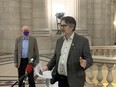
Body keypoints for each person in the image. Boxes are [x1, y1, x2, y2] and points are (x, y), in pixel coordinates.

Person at [43, 16, 93, 87]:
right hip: (61, 78)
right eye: (61, 25)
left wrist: (85, 63)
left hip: (75, 80)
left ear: (72, 27)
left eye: (64, 26)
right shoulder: (59, 41)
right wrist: (47, 66)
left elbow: (90, 60)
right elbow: (56, 57)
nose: (61, 28)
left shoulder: (82, 41)